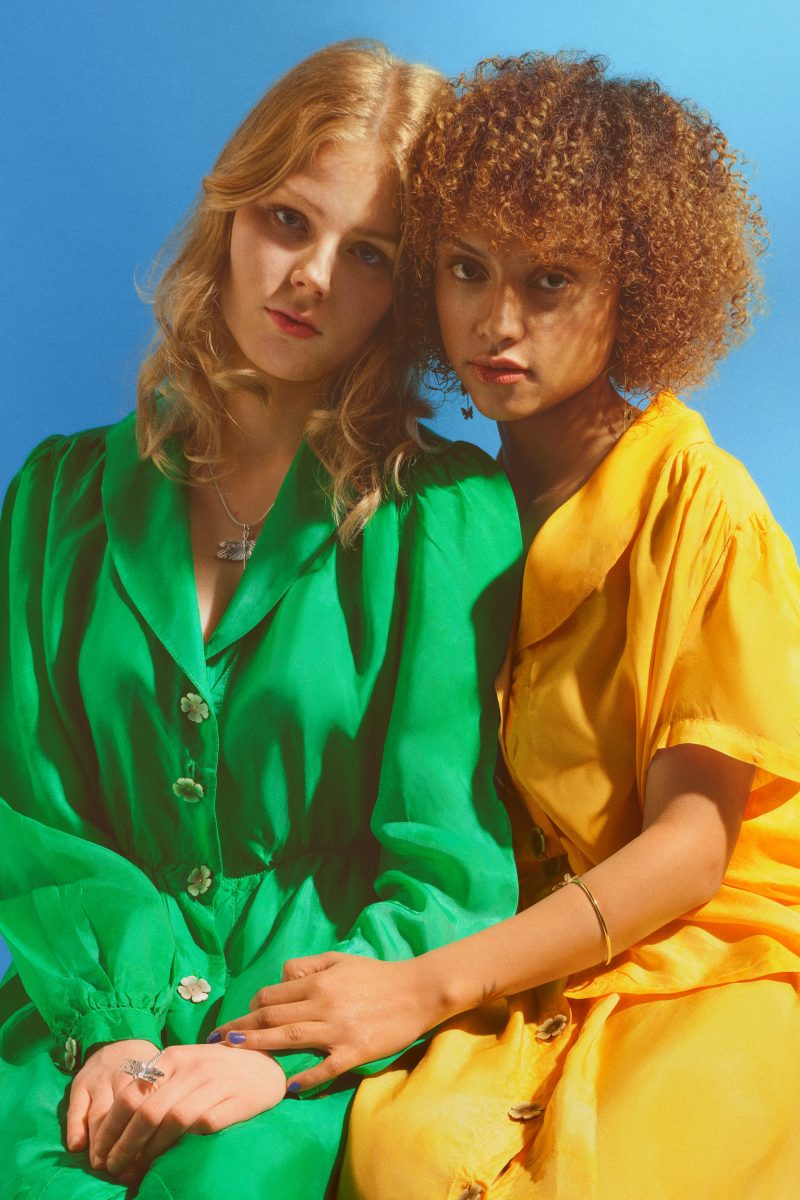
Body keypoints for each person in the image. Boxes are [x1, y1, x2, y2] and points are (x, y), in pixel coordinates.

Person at [222, 54, 800, 1199]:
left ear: (636, 288)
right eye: (465, 269)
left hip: (712, 954)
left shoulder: (702, 506)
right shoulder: (441, 512)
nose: (496, 321)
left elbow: (693, 848)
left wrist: (423, 986)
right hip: (520, 961)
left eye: (550, 282)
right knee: (394, 1157)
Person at [0, 41, 524, 1200]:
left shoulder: (442, 517)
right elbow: (33, 813)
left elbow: (450, 861)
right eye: (288, 221)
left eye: (368, 254)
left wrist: (266, 1055)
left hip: (322, 1031)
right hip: (86, 1006)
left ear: (410, 290)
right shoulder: (53, 498)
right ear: (227, 210)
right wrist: (119, 1030)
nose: (311, 279)